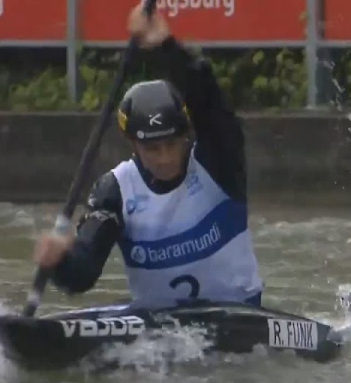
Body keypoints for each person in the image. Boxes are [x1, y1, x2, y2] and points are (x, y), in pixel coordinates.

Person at [32, 3, 265, 309]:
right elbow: (85, 270)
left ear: (187, 134)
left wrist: (166, 49)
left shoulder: (218, 162)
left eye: (173, 144)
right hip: (161, 334)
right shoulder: (115, 189)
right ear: (133, 144)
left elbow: (209, 102)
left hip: (238, 314)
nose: (166, 157)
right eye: (153, 148)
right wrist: (60, 262)